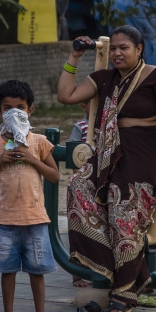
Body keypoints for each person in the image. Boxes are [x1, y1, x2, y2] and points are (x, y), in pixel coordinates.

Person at [58, 25, 156, 312]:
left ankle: (125, 293)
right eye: (113, 48)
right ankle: (115, 272)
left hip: (148, 156)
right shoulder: (104, 80)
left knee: (124, 205)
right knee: (79, 187)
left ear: (139, 50)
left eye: (124, 47)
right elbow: (66, 95)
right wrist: (74, 55)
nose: (117, 53)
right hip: (110, 156)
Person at [0, 80, 59, 312]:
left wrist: (32, 159)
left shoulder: (38, 142)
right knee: (7, 271)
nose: (14, 112)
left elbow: (55, 176)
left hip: (35, 219)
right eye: (7, 108)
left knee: (37, 273)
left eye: (20, 108)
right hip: (5, 219)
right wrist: (0, 161)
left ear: (30, 110)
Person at [67, 101, 92, 288]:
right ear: (84, 106)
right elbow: (72, 157)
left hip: (104, 185)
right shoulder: (80, 127)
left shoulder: (111, 126)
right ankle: (77, 274)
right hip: (83, 186)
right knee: (80, 227)